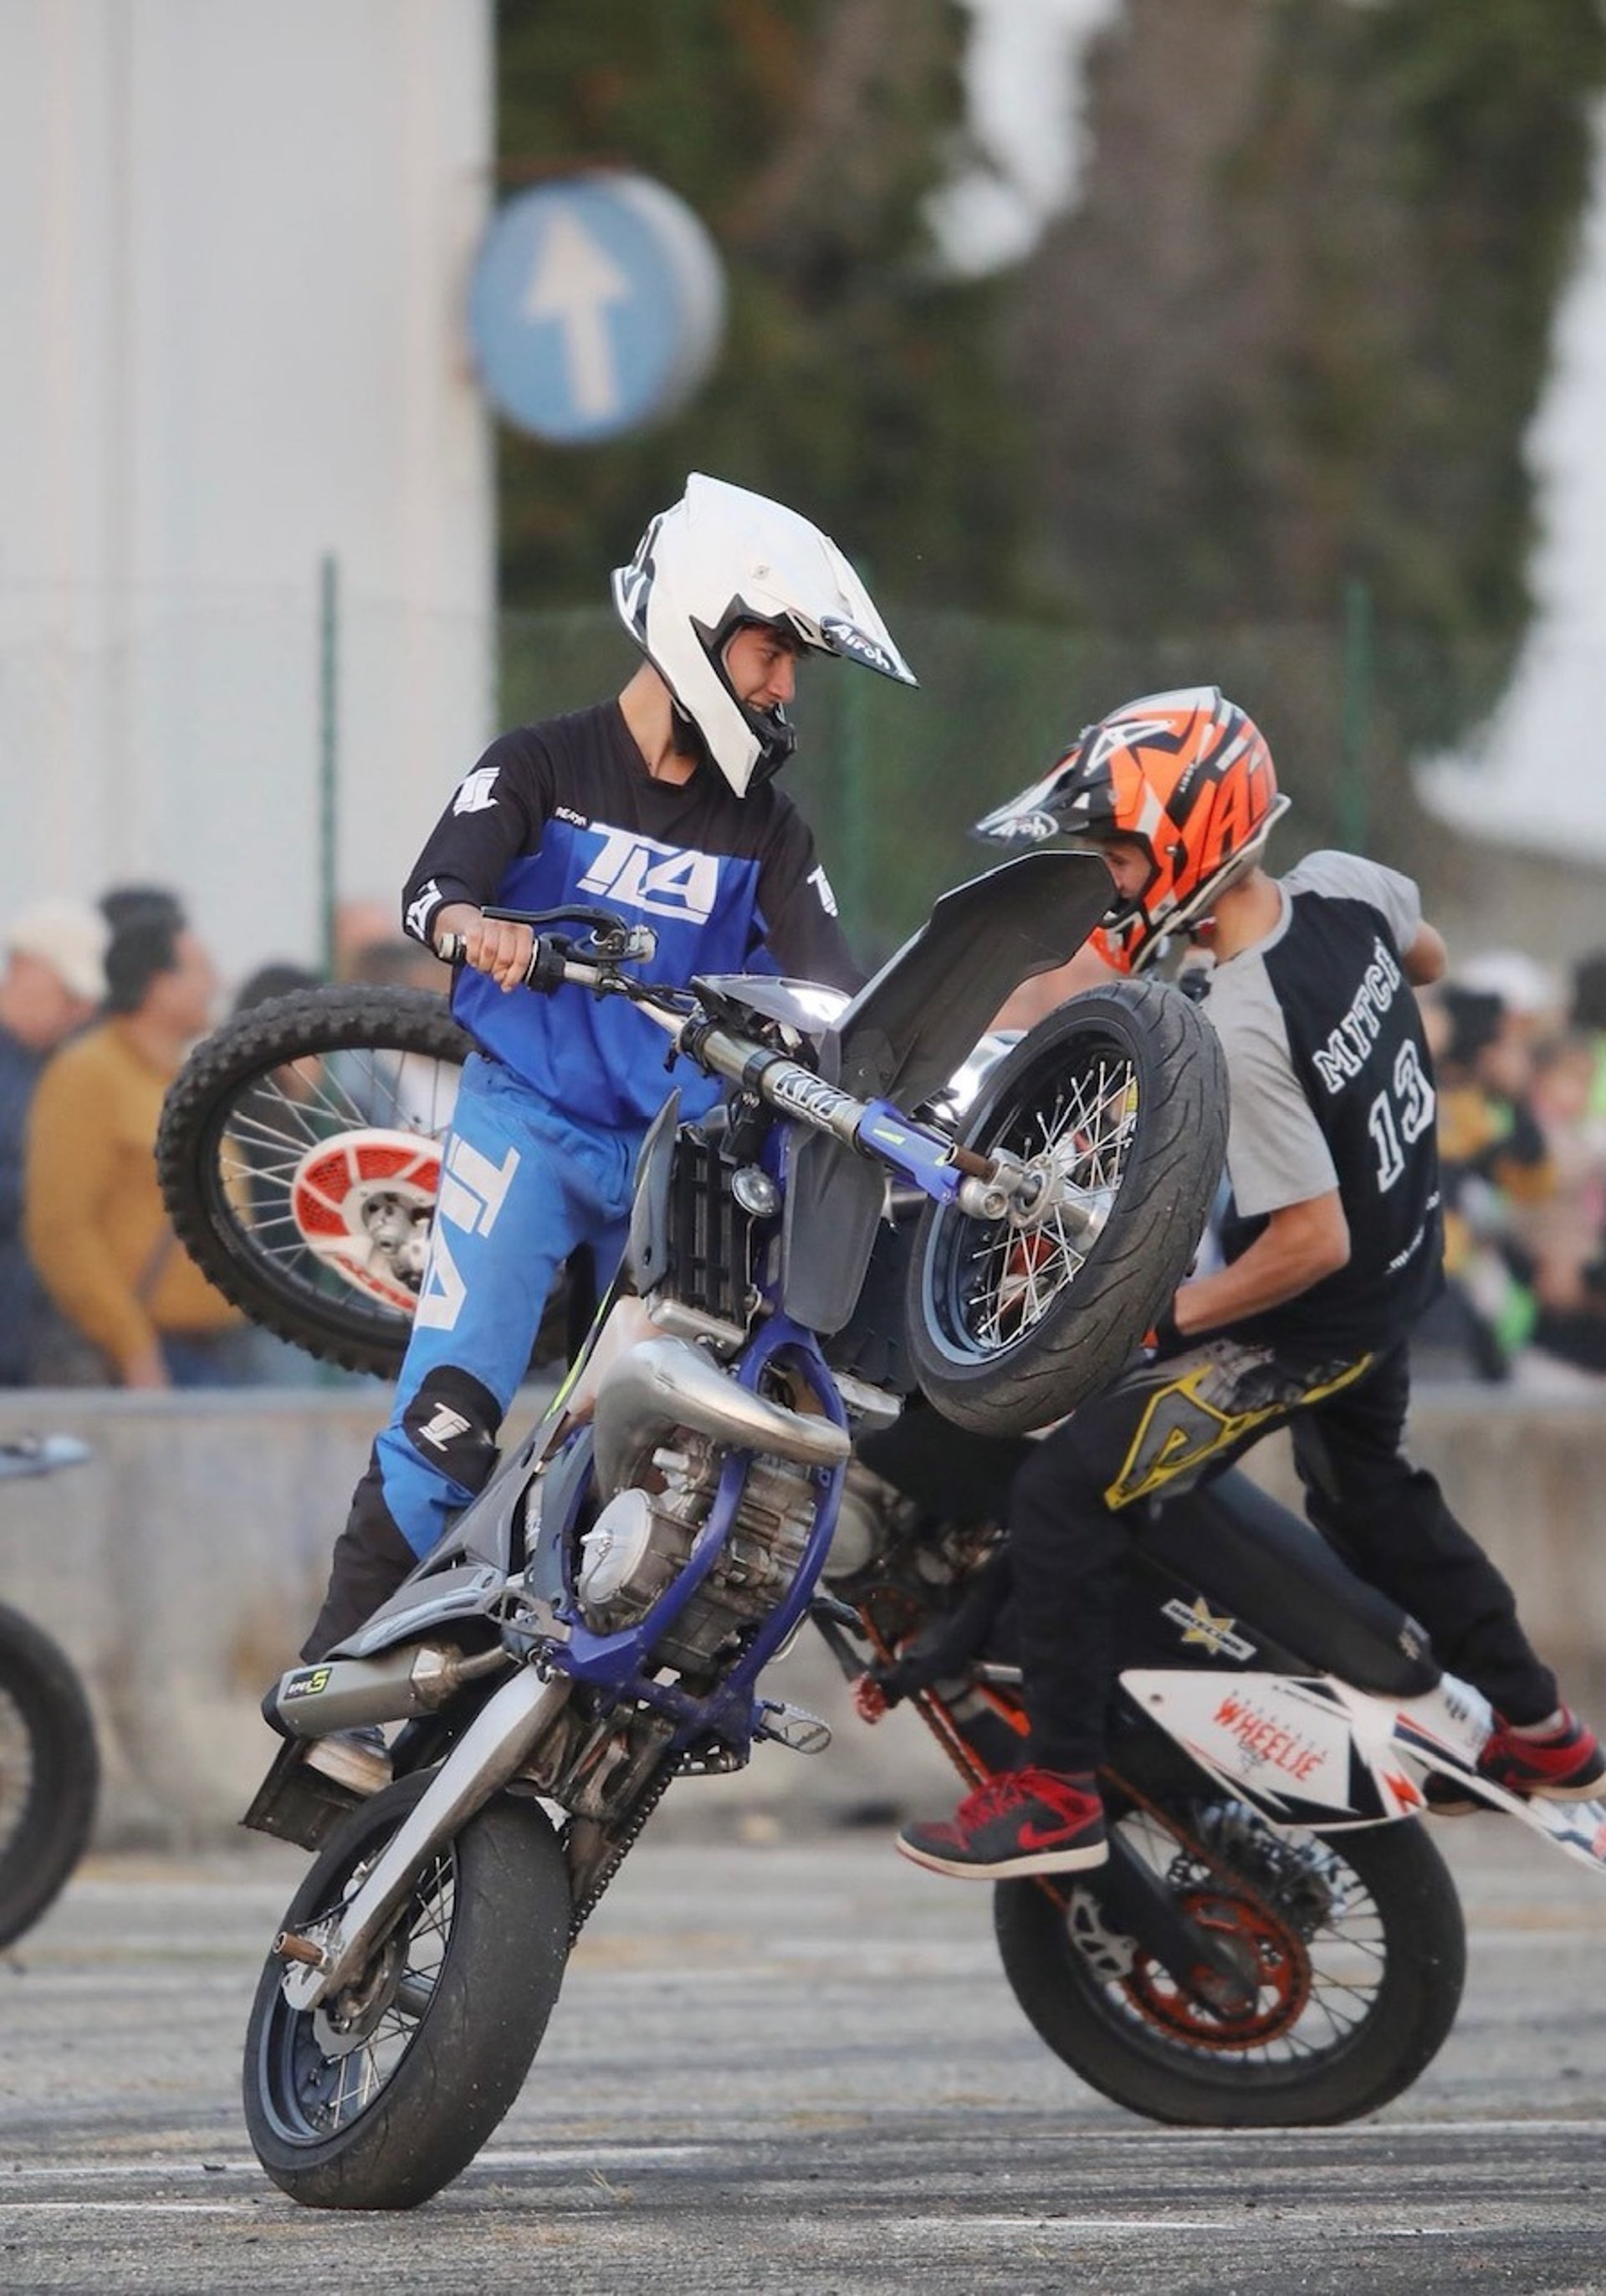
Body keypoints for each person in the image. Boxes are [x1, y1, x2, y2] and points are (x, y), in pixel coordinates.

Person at [893, 686, 1605, 1881]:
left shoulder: (1243, 1026)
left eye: (1120, 852)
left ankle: (1060, 1788)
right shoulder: (1343, 885)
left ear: (1188, 840)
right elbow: (1421, 956)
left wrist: (1154, 1325)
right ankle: (1546, 1734)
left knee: (1069, 1486)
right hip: (1402, 1273)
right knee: (1372, 1497)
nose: (1110, 876)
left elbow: (1304, 1243)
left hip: (1306, 1323)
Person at [292, 473, 917, 1789]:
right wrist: (481, 930)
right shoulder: (539, 761)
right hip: (525, 1121)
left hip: (677, 1164)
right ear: (697, 624)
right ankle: (337, 1681)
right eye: (770, 652)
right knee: (455, 1412)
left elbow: (829, 996)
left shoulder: (769, 827)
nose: (785, 689)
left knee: (667, 1445)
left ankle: (559, 1693)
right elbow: (433, 894)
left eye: (792, 664)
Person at [24, 902, 252, 1388]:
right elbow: (60, 1229)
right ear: (158, 984)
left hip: (214, 1350)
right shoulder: (87, 1074)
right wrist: (132, 1347)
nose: (214, 985)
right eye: (200, 970)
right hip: (147, 1354)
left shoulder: (182, 1077)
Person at [0, 900, 110, 1385]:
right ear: (24, 970)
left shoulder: (64, 1068)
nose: (81, 1011)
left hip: (39, 1335)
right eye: (68, 994)